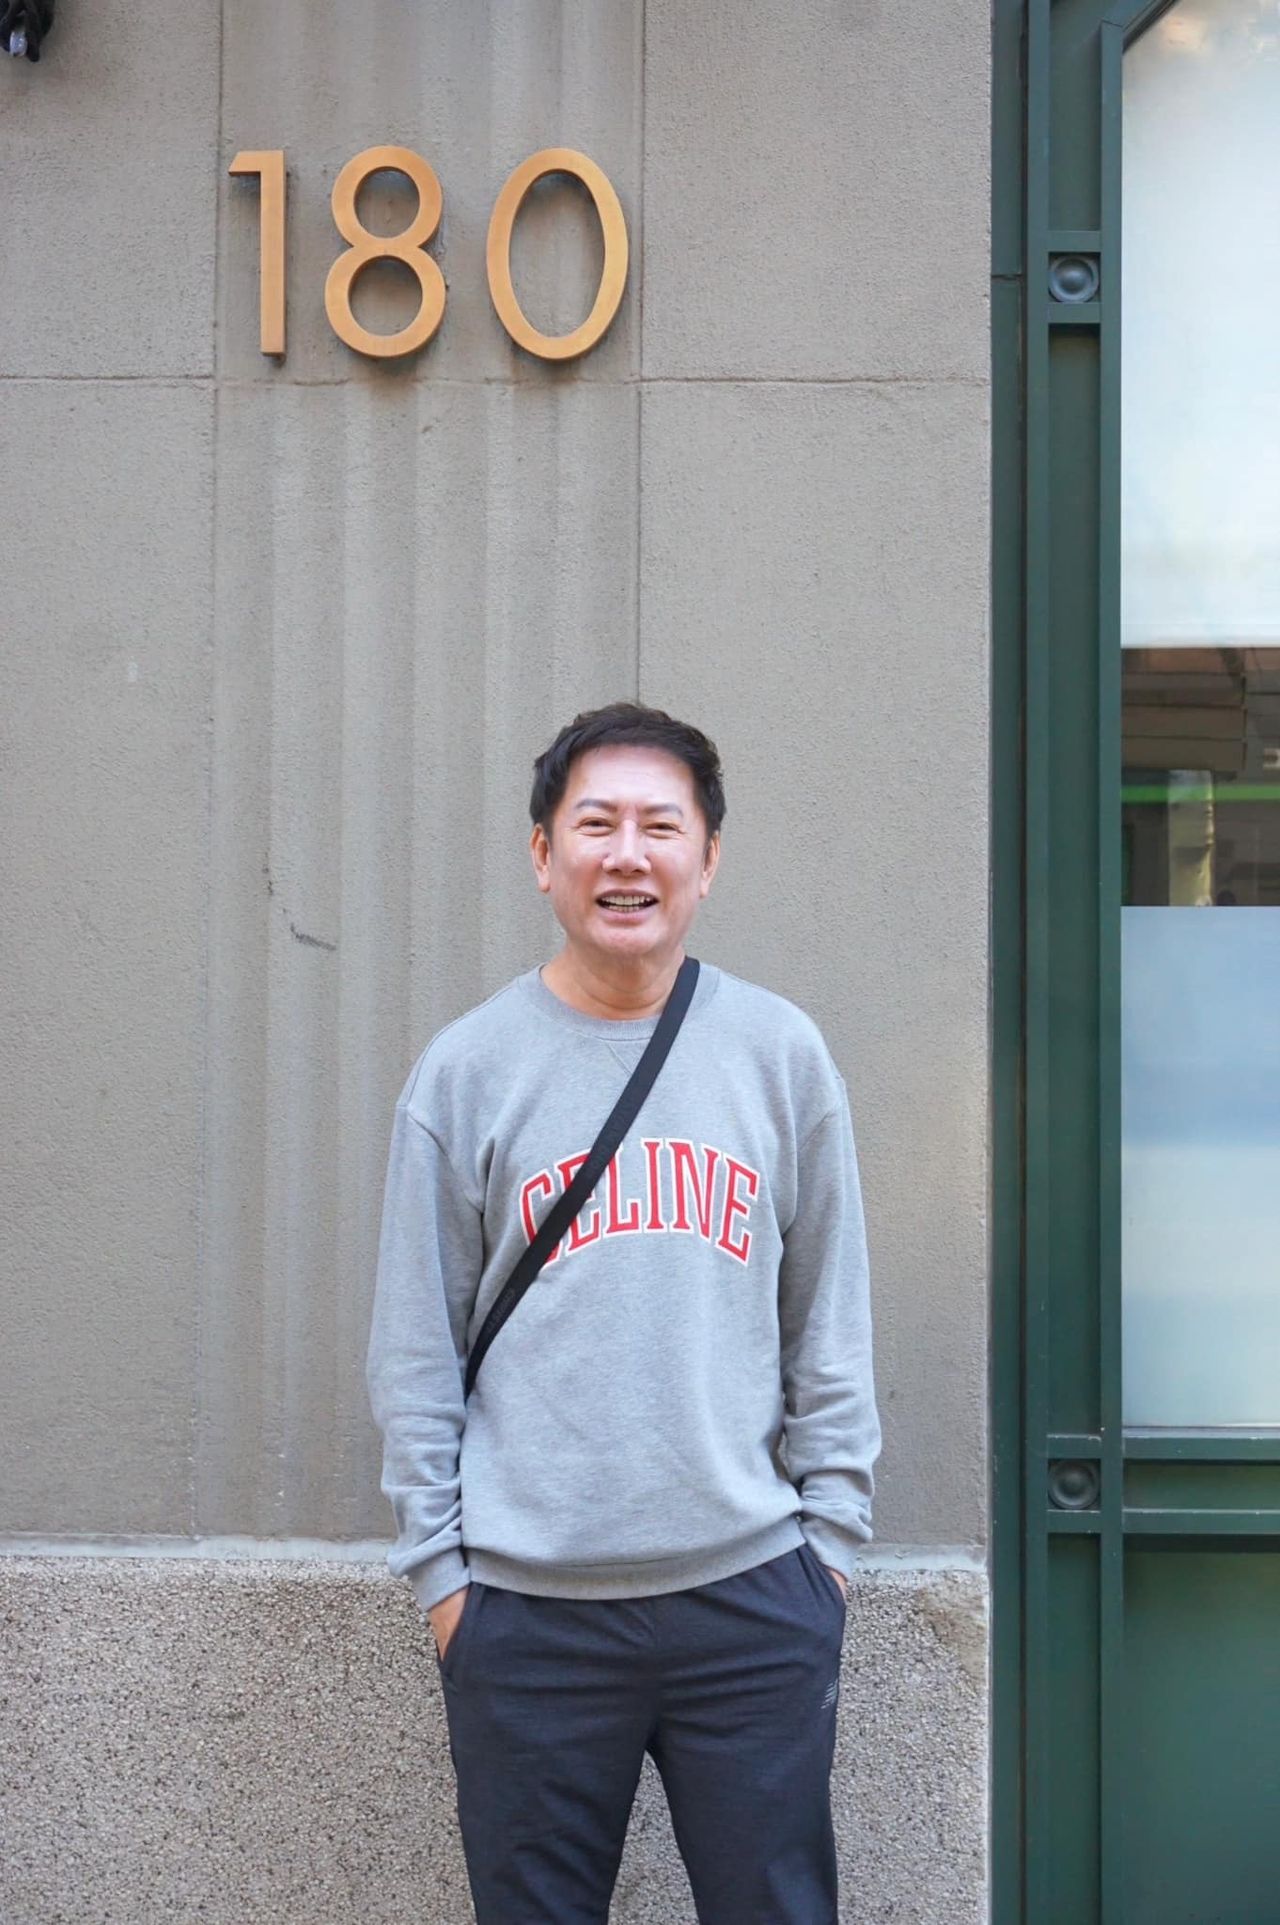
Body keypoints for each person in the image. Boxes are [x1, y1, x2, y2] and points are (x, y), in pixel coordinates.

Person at [365, 701, 881, 1923]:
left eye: (661, 825)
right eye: (594, 824)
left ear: (709, 857)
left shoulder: (778, 1053)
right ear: (542, 853)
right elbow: (414, 1349)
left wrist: (828, 1552)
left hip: (751, 1597)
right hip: (527, 1614)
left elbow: (828, 1316)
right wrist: (447, 1584)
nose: (627, 854)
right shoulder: (466, 1069)